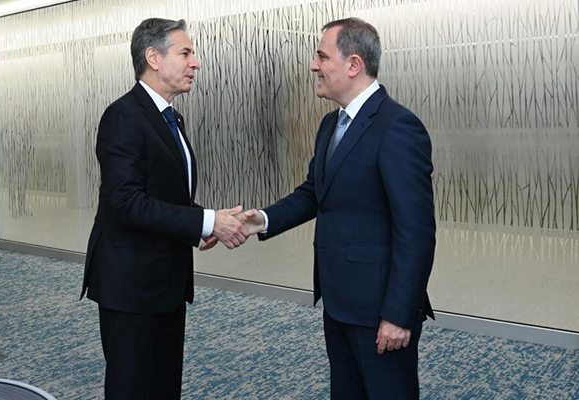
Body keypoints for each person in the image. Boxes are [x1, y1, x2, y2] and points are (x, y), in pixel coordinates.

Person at [240, 18, 436, 400]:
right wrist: (260, 220)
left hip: (380, 310)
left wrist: (398, 314)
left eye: (322, 57)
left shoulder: (398, 127)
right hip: (339, 302)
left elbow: (416, 232)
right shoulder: (331, 124)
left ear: (353, 65)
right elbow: (314, 193)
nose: (314, 66)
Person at [80, 18, 248, 400]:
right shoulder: (123, 116)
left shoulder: (170, 116)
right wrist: (206, 221)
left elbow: (166, 195)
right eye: (185, 53)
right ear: (153, 58)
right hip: (131, 285)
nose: (195, 62)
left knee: (163, 385)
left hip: (165, 281)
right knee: (132, 388)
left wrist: (206, 223)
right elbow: (126, 203)